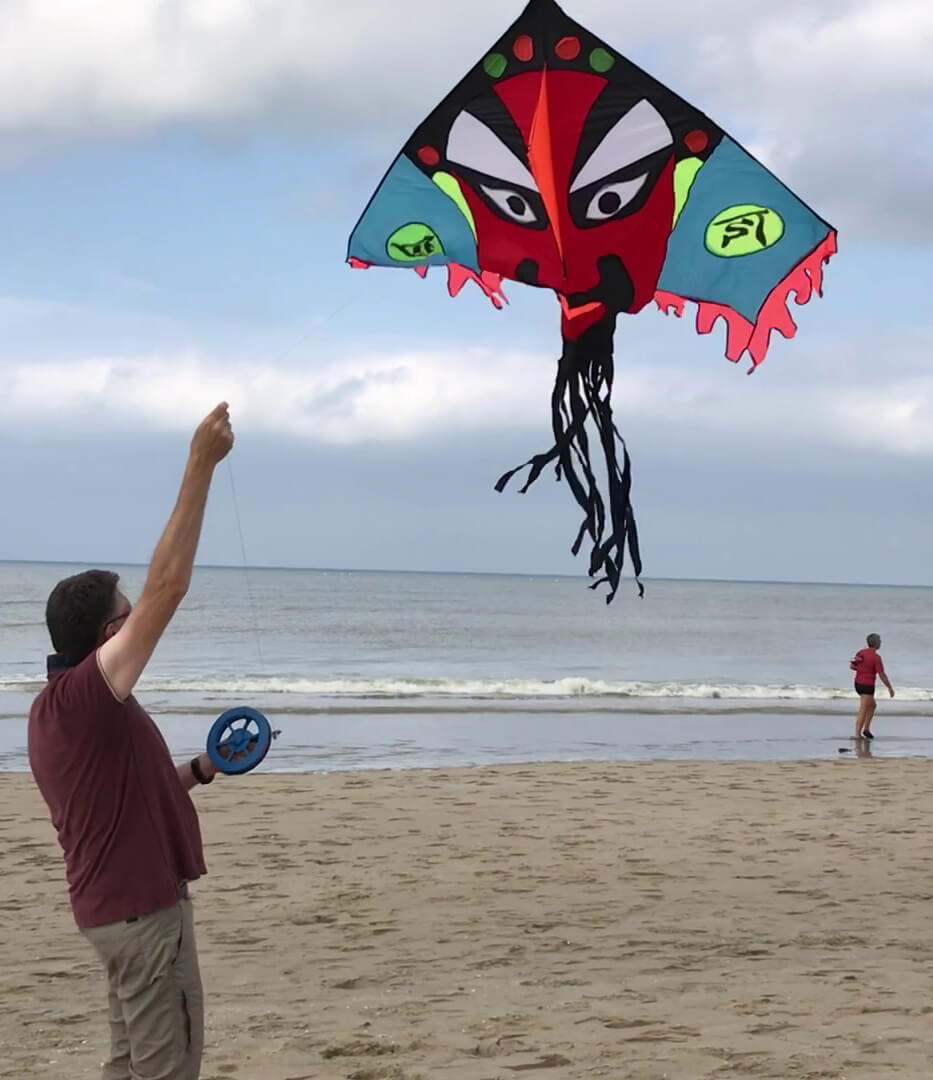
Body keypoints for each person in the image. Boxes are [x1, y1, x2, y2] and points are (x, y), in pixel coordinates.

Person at [28, 402, 236, 1080]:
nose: (136, 621)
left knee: (128, 1064)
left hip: (110, 916)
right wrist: (199, 465)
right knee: (167, 1066)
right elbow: (168, 587)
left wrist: (202, 769)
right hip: (141, 919)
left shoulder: (59, 710)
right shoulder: (87, 696)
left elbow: (121, 801)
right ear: (107, 638)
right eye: (126, 617)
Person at [849, 632, 894, 740]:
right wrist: (890, 688)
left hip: (858, 684)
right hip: (867, 686)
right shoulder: (876, 657)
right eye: (880, 641)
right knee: (863, 710)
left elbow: (852, 666)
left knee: (872, 705)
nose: (881, 643)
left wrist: (862, 669)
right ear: (877, 643)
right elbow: (882, 674)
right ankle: (857, 735)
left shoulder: (860, 652)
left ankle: (867, 729)